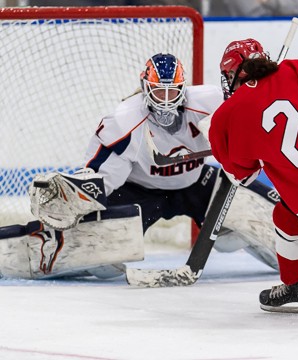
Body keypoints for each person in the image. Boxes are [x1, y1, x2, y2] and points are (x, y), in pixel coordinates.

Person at [18, 52, 279, 280]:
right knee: (107, 260)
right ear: (145, 87)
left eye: (172, 91)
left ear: (183, 87)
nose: (166, 99)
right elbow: (104, 175)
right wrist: (80, 192)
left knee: (237, 232)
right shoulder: (124, 120)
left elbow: (252, 110)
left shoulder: (210, 101)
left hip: (196, 184)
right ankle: (43, 249)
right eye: (159, 91)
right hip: (141, 191)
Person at [208, 38, 298, 313]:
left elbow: (244, 176)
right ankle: (296, 286)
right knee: (285, 217)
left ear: (233, 74)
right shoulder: (294, 69)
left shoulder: (225, 118)